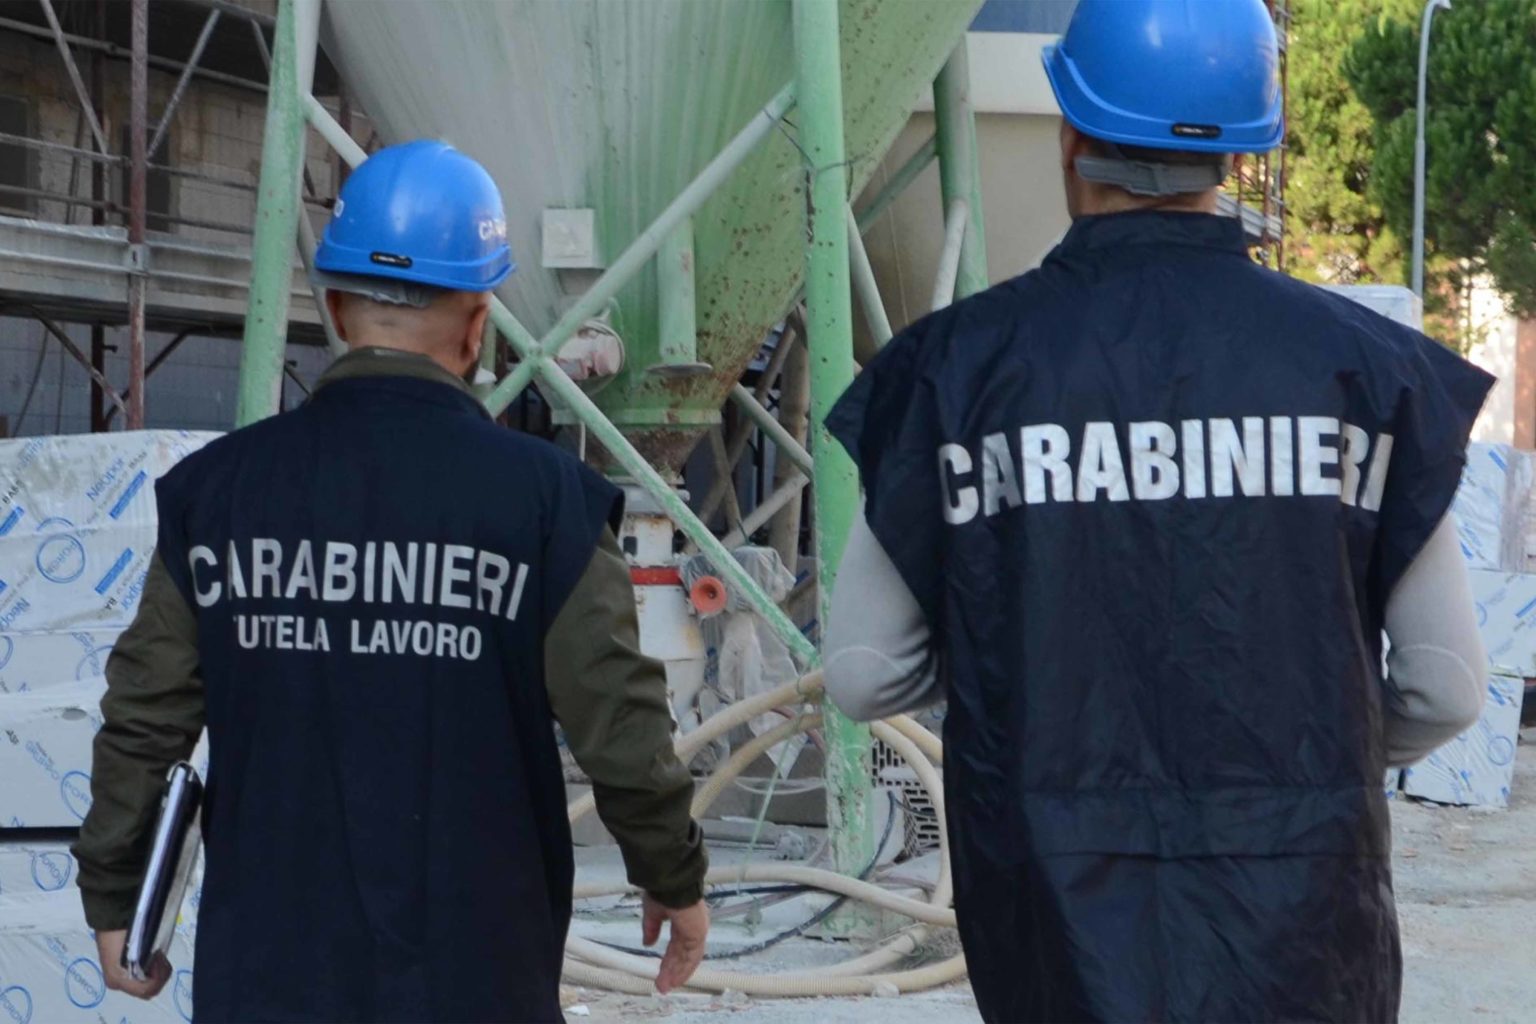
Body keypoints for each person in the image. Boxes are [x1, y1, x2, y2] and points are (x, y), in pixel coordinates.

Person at [822, 2, 1492, 1021]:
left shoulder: (955, 372)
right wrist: (1320, 751)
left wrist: (1021, 706)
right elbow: (1446, 689)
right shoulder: (1368, 373)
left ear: (1069, 135)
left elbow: (865, 672)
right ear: (1241, 154)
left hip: (1054, 916)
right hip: (1301, 924)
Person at [73, 140, 709, 1023]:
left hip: (268, 978)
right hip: (476, 977)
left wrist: (114, 892)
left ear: (335, 308)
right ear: (479, 323)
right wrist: (672, 873)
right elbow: (620, 723)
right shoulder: (546, 505)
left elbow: (145, 718)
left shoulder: (215, 496)